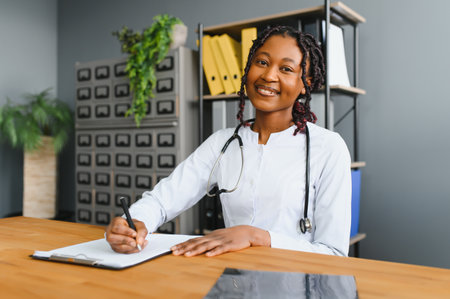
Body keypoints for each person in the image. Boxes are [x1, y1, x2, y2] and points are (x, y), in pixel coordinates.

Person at [105, 25, 352, 257]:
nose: (268, 75)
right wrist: (134, 223)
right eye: (262, 62)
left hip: (297, 285)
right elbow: (162, 199)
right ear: (248, 69)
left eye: (286, 69)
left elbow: (334, 252)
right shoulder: (223, 143)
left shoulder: (328, 148)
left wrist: (257, 236)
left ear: (305, 83)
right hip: (234, 280)